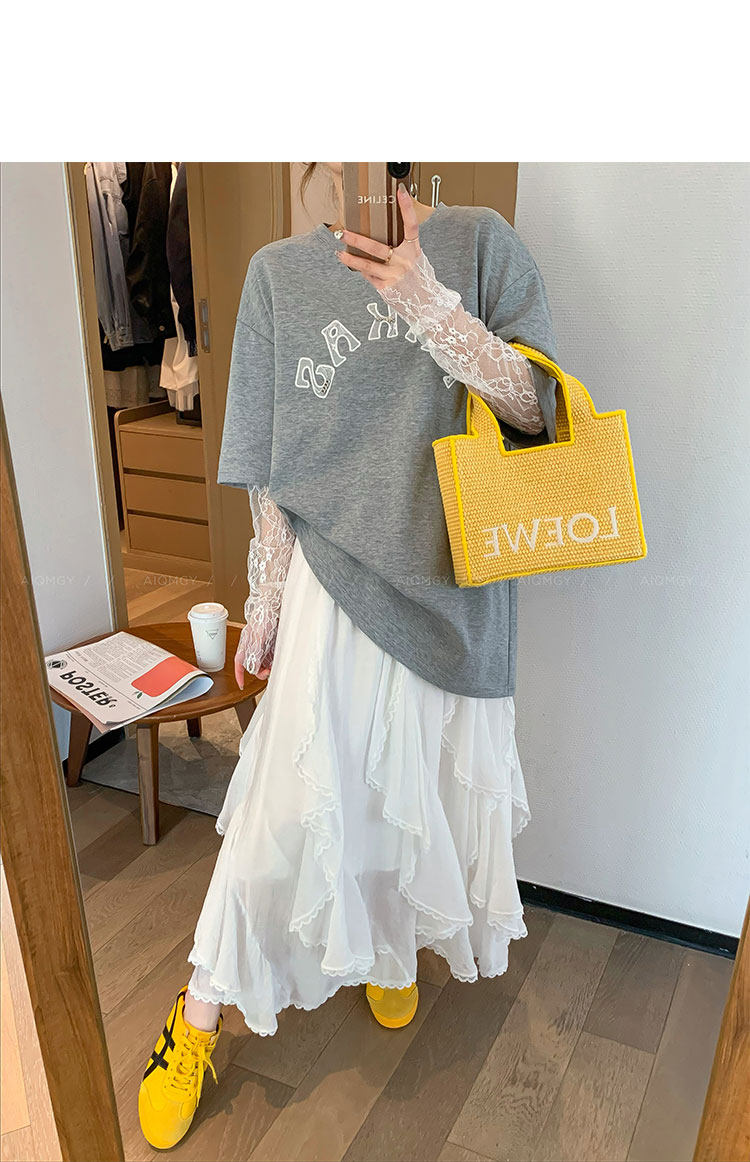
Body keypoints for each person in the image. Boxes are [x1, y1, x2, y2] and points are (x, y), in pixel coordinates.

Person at [138, 164, 560, 1150]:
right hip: (330, 587)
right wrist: (264, 598)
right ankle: (200, 1011)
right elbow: (270, 461)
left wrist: (428, 302)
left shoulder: (482, 243)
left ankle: (385, 949)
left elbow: (540, 408)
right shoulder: (278, 273)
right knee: (279, 813)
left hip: (454, 583)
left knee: (411, 799)